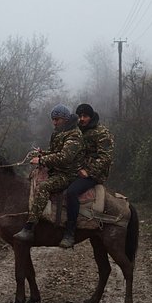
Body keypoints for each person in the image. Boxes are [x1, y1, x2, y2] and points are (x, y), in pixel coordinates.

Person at [13, 104, 84, 242]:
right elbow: (55, 152)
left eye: (57, 119)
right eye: (53, 119)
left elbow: (65, 157)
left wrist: (41, 160)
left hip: (68, 174)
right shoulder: (60, 132)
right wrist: (41, 153)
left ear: (65, 119)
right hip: (57, 170)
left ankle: (29, 227)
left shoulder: (74, 135)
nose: (54, 122)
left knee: (44, 187)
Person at [60, 103, 115, 248]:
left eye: (85, 116)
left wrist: (89, 171)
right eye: (79, 116)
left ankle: (70, 232)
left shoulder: (101, 132)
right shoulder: (78, 130)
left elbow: (106, 157)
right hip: (77, 170)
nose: (82, 119)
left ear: (91, 117)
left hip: (94, 173)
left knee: (72, 192)